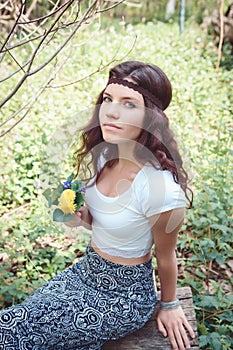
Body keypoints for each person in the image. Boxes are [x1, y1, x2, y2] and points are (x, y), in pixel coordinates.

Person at [0, 61, 195, 350]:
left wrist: (169, 304)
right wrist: (81, 215)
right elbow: (108, 222)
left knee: (12, 330)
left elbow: (166, 257)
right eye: (108, 99)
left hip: (122, 298)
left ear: (150, 117)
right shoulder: (106, 156)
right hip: (85, 271)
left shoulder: (160, 190)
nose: (111, 111)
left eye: (129, 104)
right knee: (19, 319)